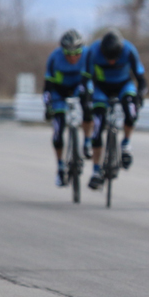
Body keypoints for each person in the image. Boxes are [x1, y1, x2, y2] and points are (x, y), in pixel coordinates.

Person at [83, 29, 146, 191]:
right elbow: (86, 78)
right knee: (97, 128)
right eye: (107, 58)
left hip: (124, 85)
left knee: (131, 112)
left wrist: (140, 95)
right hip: (101, 88)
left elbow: (140, 77)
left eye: (114, 58)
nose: (111, 62)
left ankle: (126, 144)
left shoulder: (129, 50)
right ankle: (96, 171)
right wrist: (89, 96)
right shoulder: (93, 51)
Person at [43, 29, 93, 187]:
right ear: (62, 50)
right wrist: (48, 105)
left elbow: (92, 80)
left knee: (88, 105)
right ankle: (60, 167)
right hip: (60, 92)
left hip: (79, 88)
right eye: (68, 53)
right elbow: (47, 86)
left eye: (76, 53)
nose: (72, 57)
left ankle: (87, 141)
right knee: (58, 131)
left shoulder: (88, 55)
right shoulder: (54, 57)